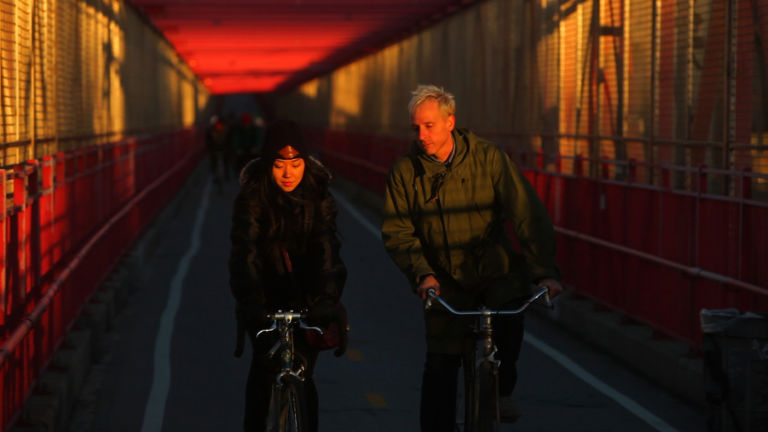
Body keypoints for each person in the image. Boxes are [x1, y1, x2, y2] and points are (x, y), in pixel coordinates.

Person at [381, 85, 562, 431]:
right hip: (443, 277)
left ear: (450, 122)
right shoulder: (406, 172)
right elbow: (398, 230)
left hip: (492, 269)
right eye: (415, 127)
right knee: (440, 366)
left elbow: (526, 213)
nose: (422, 135)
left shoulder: (489, 159)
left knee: (511, 312)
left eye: (429, 126)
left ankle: (501, 389)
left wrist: (545, 272)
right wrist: (423, 274)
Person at [229, 119, 347, 432]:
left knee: (304, 377)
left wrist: (326, 298)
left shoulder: (318, 195)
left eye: (295, 164)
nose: (287, 173)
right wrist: (250, 299)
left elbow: (327, 249)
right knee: (263, 376)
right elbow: (245, 252)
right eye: (279, 164)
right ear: (268, 164)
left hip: (308, 300)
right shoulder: (252, 198)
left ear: (305, 164)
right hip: (265, 298)